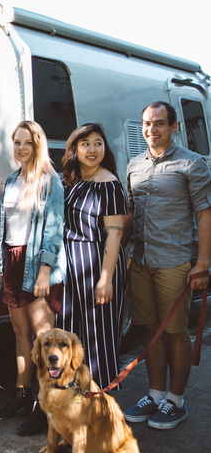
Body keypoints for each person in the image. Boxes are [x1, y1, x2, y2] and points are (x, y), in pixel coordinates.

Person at [123, 102, 211, 429]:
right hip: (141, 260)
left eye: (159, 123)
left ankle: (176, 400)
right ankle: (156, 395)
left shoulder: (192, 164)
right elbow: (130, 213)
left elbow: (205, 214)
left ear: (173, 126)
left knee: (175, 332)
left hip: (175, 260)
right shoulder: (134, 165)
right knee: (149, 328)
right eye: (147, 123)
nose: (152, 130)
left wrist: (202, 264)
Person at [0, 120, 65, 436]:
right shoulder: (11, 179)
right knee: (19, 330)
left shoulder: (50, 182)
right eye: (17, 142)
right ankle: (22, 394)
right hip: (12, 261)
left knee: (44, 337)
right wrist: (0, 266)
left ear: (38, 145)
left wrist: (45, 271)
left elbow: (54, 230)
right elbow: (4, 226)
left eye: (28, 143)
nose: (21, 148)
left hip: (36, 264)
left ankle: (46, 406)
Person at [58, 123, 127, 390]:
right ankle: (67, 396)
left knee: (98, 335)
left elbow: (115, 233)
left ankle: (100, 401)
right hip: (70, 265)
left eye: (98, 143)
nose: (92, 149)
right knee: (68, 331)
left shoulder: (109, 184)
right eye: (85, 143)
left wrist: (105, 279)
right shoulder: (74, 181)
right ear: (74, 148)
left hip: (97, 261)